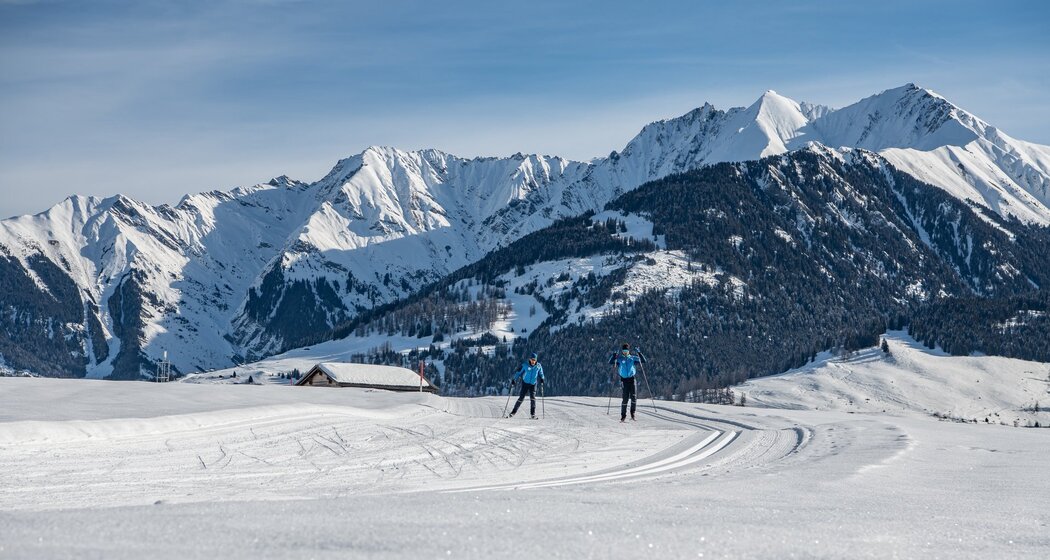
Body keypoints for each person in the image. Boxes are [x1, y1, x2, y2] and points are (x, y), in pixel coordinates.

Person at [609, 343, 646, 422]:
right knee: (625, 399)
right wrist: (614, 355)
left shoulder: (632, 358)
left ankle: (632, 414)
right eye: (624, 350)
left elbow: (643, 360)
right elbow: (610, 362)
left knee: (633, 397)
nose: (625, 352)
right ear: (622, 351)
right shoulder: (619, 358)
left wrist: (639, 353)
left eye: (626, 350)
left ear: (629, 351)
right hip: (624, 380)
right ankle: (623, 416)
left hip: (632, 379)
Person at [509, 353, 544, 419]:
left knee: (533, 398)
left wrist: (542, 378)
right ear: (530, 359)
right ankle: (513, 412)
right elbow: (518, 372)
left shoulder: (538, 366)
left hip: (533, 384)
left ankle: (532, 414)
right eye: (532, 360)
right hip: (525, 383)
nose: (533, 361)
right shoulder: (525, 365)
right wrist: (514, 379)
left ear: (536, 360)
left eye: (534, 360)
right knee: (521, 398)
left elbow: (541, 373)